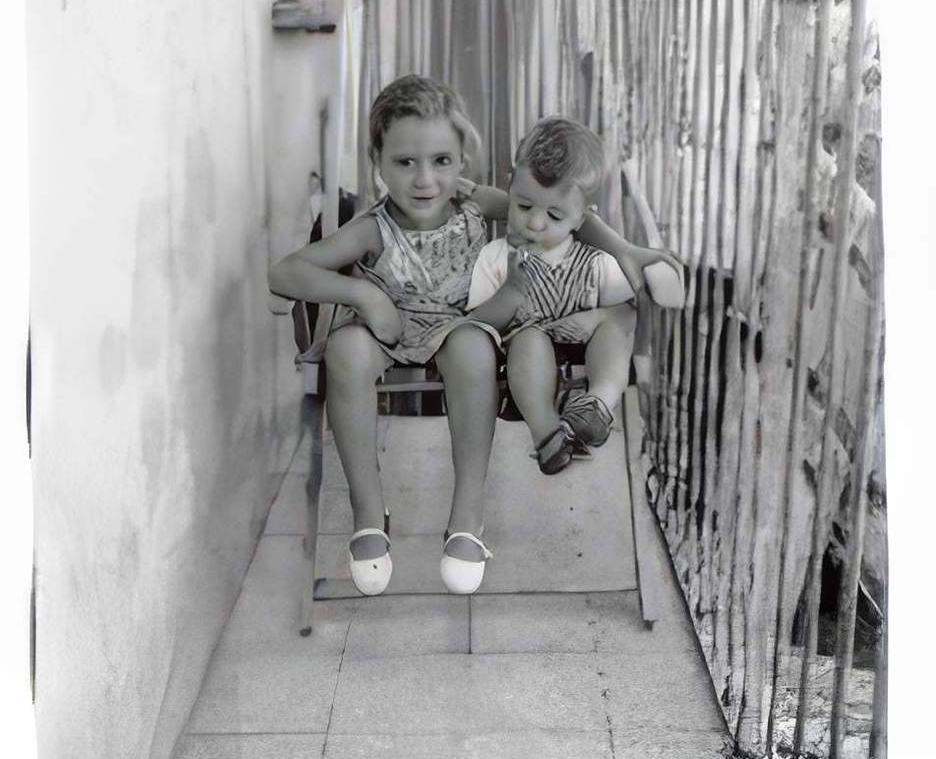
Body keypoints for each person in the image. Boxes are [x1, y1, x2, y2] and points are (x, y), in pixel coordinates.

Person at [269, 75, 681, 597]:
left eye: (441, 160)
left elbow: (564, 208)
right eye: (405, 162)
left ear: (462, 160)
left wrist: (625, 249)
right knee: (345, 347)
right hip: (384, 330)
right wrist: (364, 296)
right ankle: (368, 514)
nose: (425, 180)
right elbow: (285, 273)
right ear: (377, 161)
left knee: (470, 345)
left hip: (463, 327)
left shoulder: (473, 203)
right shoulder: (373, 228)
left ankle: (466, 517)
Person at [467, 117, 643, 474]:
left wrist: (596, 316)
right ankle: (547, 433)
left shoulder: (595, 262)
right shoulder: (496, 257)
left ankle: (597, 405)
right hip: (523, 367)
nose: (535, 223)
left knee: (615, 328)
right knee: (529, 339)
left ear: (581, 219)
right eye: (524, 206)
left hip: (586, 352)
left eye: (554, 214)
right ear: (510, 189)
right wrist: (510, 293)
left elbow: (631, 311)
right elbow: (475, 326)